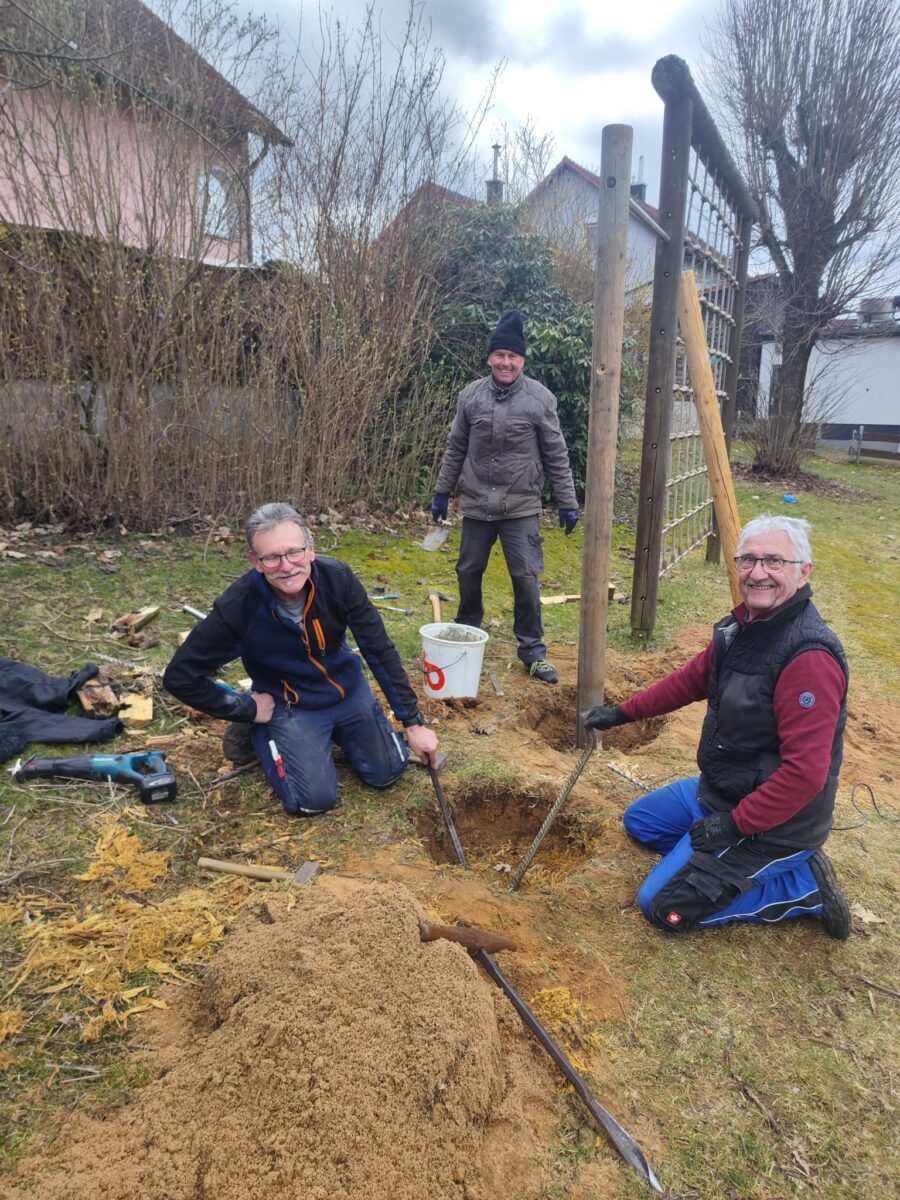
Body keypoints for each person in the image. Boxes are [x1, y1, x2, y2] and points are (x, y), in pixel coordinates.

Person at [585, 515, 851, 939]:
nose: (758, 572)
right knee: (642, 823)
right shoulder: (742, 626)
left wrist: (735, 824)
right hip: (722, 791)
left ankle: (803, 887)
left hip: (776, 823)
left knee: (661, 907)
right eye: (749, 560)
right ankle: (709, 865)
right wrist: (622, 713)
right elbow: (690, 680)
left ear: (803, 572)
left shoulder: (809, 660)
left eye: (774, 561)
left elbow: (806, 775)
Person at [163, 503, 438, 816]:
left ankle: (341, 733)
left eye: (294, 552)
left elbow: (378, 649)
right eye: (272, 557)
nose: (286, 566)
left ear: (310, 549)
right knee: (312, 801)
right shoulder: (238, 607)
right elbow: (179, 676)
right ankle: (258, 731)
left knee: (388, 772)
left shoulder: (339, 580)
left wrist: (413, 722)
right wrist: (247, 709)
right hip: (290, 704)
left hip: (347, 691)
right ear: (256, 561)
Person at [432, 309, 580, 685]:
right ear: (489, 358)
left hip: (520, 506)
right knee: (468, 571)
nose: (505, 362)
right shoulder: (471, 396)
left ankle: (532, 651)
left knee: (526, 578)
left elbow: (556, 453)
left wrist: (567, 501)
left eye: (513, 356)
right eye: (499, 354)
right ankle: (467, 633)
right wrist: (441, 492)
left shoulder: (539, 399)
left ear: (522, 361)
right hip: (477, 503)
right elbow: (455, 447)